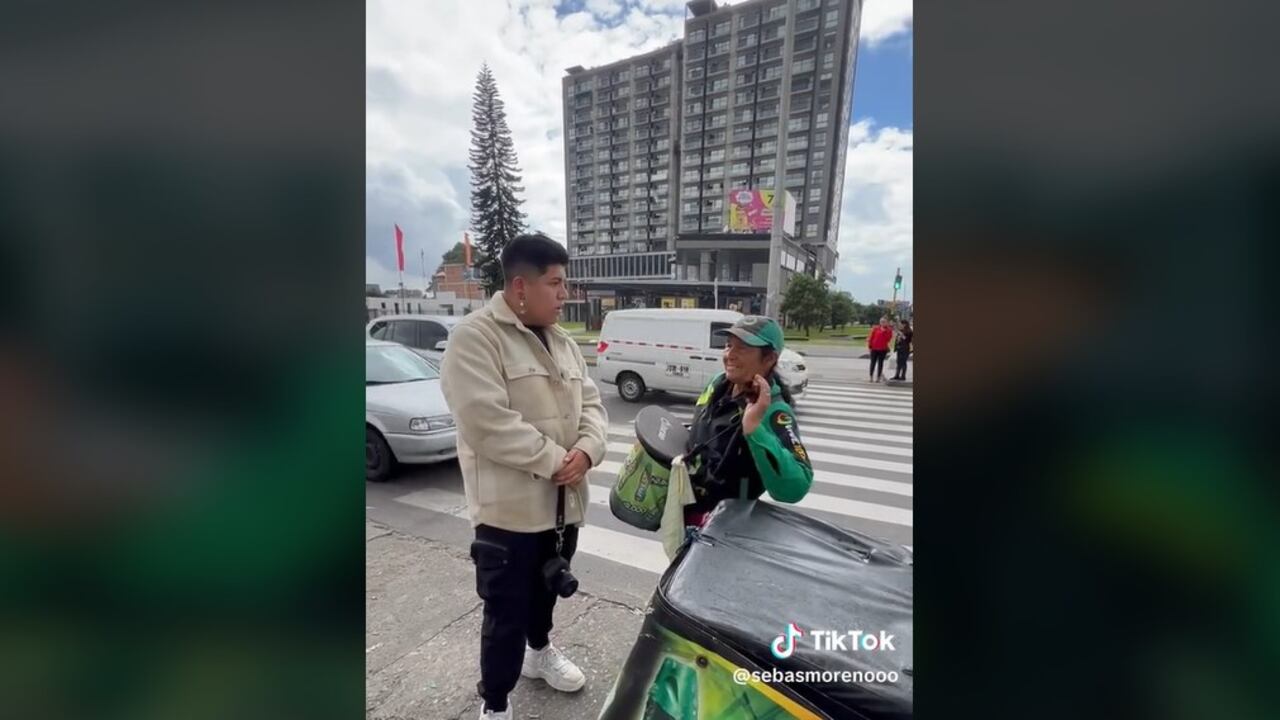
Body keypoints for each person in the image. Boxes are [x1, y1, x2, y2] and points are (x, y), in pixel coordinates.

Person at [440, 232, 609, 720]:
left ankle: (540, 655)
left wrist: (587, 450)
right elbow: (485, 422)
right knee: (504, 615)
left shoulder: (562, 341)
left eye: (565, 283)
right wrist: (559, 459)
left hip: (562, 507)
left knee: (547, 595)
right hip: (508, 517)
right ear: (520, 287)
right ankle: (495, 703)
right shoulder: (475, 337)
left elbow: (593, 405)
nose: (564, 294)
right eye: (555, 283)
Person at [682, 315, 814, 531]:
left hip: (727, 530)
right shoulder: (718, 384)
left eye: (742, 348)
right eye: (728, 345)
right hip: (690, 512)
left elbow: (795, 487)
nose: (729, 355)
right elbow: (700, 428)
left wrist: (754, 429)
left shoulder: (774, 411)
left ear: (769, 358)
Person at [867, 315, 894, 382]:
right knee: (872, 363)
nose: (882, 323)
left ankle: (878, 377)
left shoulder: (889, 330)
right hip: (874, 348)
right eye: (881, 321)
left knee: (880, 363)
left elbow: (888, 339)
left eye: (884, 322)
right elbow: (871, 337)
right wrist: (869, 346)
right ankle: (871, 377)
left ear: (887, 322)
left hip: (882, 349)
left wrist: (884, 331)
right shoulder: (875, 328)